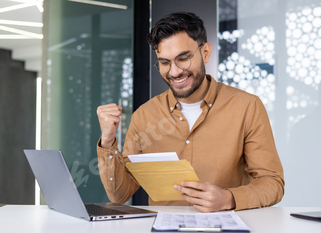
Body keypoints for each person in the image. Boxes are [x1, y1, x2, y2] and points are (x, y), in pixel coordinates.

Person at [96, 12, 284, 212]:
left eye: (183, 58)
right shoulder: (143, 116)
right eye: (165, 62)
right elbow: (119, 195)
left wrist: (229, 198)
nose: (174, 72)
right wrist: (108, 142)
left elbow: (272, 183)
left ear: (205, 52)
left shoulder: (247, 107)